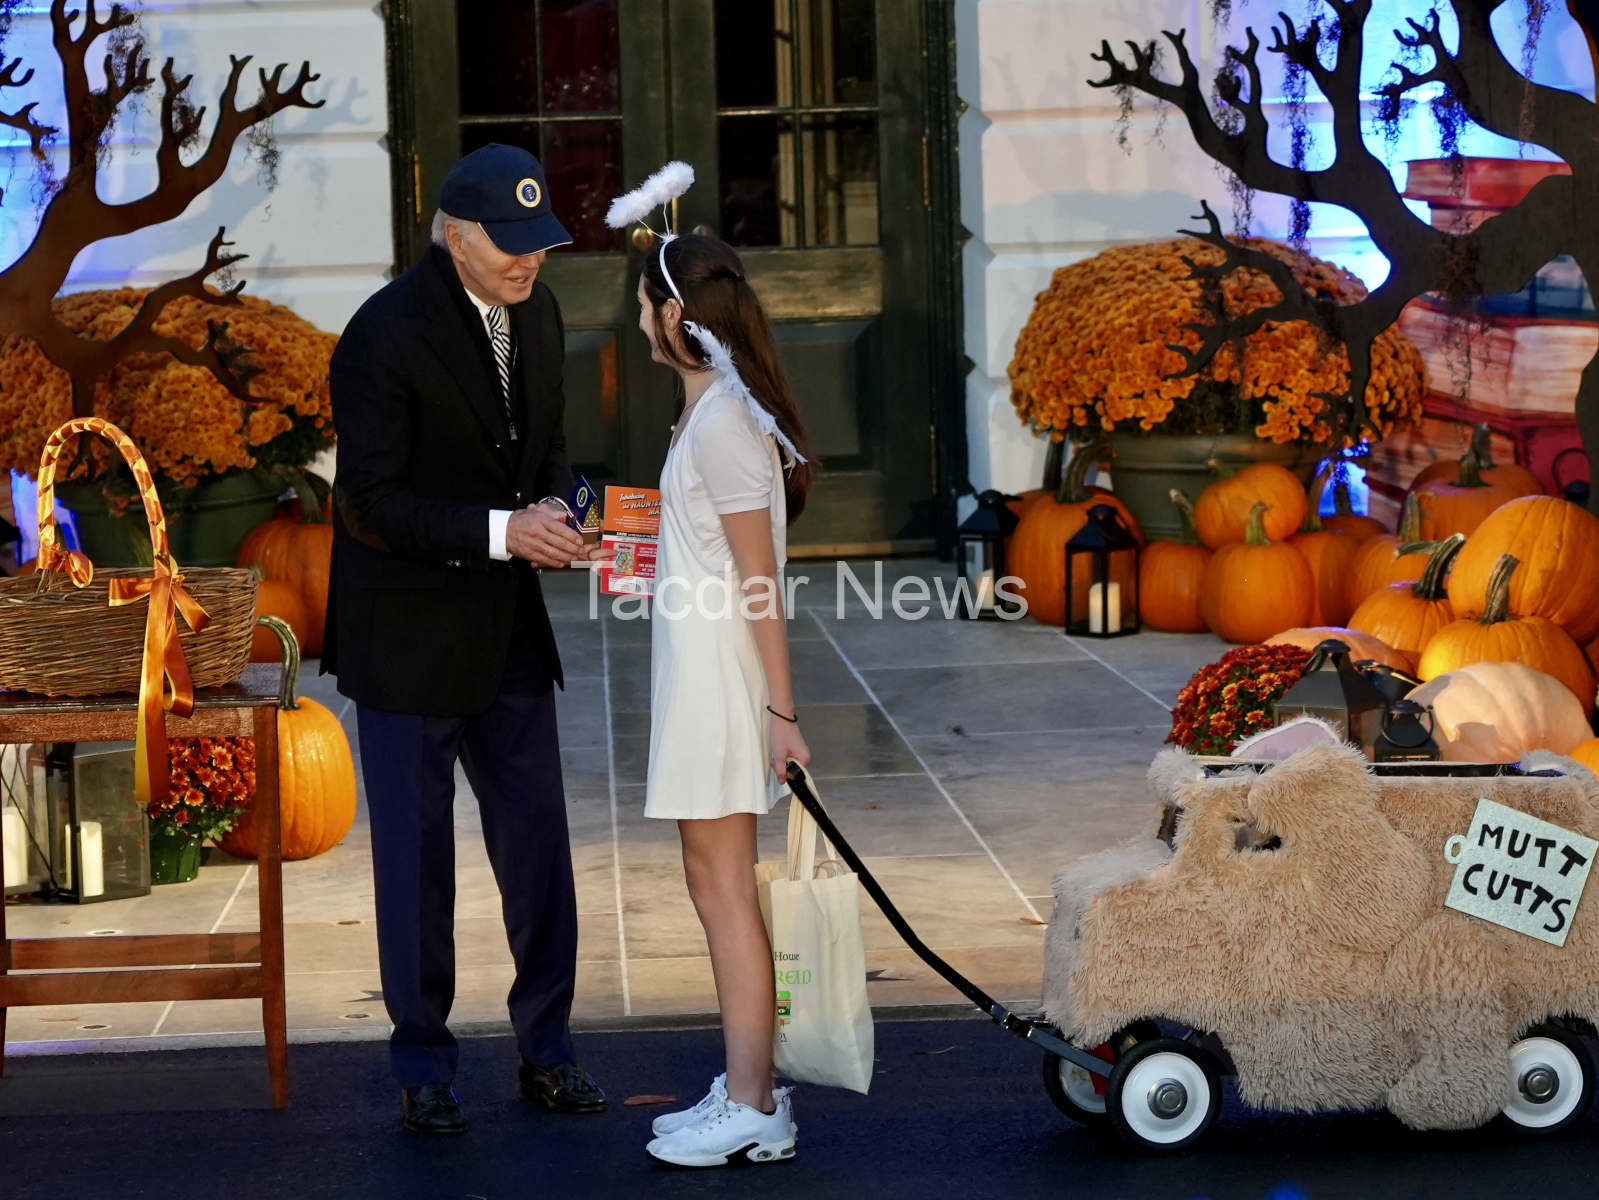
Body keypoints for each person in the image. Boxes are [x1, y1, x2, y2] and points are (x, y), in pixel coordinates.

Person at [323, 143, 605, 1135]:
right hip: (406, 640)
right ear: (455, 235)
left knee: (539, 851)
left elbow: (549, 450)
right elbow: (368, 502)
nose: (530, 260)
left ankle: (549, 1051)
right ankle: (424, 1067)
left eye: (541, 241)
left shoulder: (542, 312)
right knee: (416, 866)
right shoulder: (381, 334)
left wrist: (565, 510)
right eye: (511, 243)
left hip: (508, 629)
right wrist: (502, 532)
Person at [630, 232, 816, 1167]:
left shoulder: (723, 424)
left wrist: (783, 716)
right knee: (714, 887)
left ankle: (753, 1104)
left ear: (674, 314)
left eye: (642, 305)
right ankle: (747, 1088)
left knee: (723, 891)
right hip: (694, 671)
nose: (635, 321)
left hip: (719, 682)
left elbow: (758, 583)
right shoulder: (706, 412)